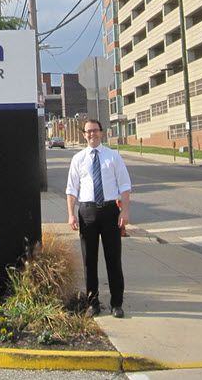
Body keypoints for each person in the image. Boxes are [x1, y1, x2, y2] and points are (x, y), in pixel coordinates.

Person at [66, 119, 131, 318]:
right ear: (84, 135)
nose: (92, 134)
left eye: (95, 130)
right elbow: (71, 189)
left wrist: (124, 211)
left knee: (113, 259)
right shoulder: (78, 159)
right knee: (89, 261)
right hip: (87, 213)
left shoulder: (113, 157)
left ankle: (116, 304)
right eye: (88, 132)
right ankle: (93, 303)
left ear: (102, 133)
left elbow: (125, 186)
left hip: (110, 211)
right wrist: (70, 214)